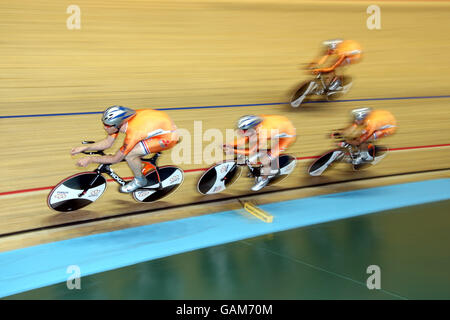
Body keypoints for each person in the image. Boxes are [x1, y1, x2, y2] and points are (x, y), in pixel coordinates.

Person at [71, 106, 179, 193]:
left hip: (167, 137)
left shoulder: (133, 133)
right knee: (133, 151)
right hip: (154, 126)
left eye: (108, 125)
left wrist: (91, 159)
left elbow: (115, 159)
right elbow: (107, 143)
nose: (105, 127)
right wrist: (85, 147)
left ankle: (140, 180)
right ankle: (141, 163)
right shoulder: (122, 121)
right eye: (104, 124)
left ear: (118, 124)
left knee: (130, 155)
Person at [223, 114, 296, 191]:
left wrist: (233, 150)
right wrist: (230, 144)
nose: (241, 132)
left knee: (266, 158)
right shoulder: (257, 122)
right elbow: (245, 139)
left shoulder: (264, 133)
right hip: (279, 127)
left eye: (243, 130)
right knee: (255, 148)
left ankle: (264, 180)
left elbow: (251, 151)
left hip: (286, 137)